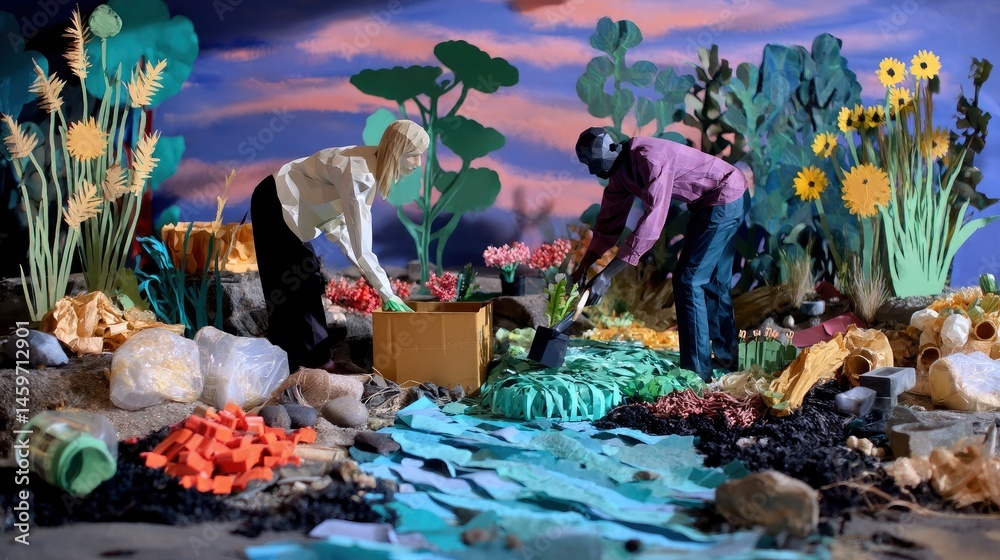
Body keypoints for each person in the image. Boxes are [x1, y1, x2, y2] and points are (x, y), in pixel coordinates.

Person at [569, 127, 750, 380]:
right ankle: (727, 360)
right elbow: (607, 226)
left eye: (594, 163)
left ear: (611, 148)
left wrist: (607, 276)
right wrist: (583, 267)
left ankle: (697, 374)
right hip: (711, 202)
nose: (592, 171)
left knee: (689, 280)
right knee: (712, 281)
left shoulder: (649, 158)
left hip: (727, 195)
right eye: (588, 165)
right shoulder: (618, 175)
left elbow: (653, 222)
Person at [250, 120, 429, 373]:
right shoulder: (360, 175)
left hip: (285, 204)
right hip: (275, 200)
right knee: (299, 279)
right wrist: (387, 293)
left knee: (295, 279)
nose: (418, 163)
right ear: (397, 152)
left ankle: (296, 362)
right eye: (413, 155)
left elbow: (343, 231)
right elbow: (361, 245)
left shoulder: (368, 166)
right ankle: (315, 363)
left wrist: (381, 286)